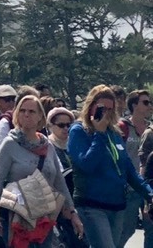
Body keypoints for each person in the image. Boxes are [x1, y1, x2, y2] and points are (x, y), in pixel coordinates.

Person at [0, 94, 82, 248]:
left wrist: (72, 213)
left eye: (32, 111)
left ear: (40, 116)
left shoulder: (47, 146)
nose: (26, 114)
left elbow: (59, 182)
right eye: (23, 110)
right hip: (17, 216)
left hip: (43, 216)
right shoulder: (10, 143)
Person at [69, 84, 153, 248]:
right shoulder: (79, 131)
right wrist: (99, 134)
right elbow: (87, 165)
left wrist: (150, 193)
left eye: (110, 109)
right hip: (92, 205)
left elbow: (129, 170)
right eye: (102, 108)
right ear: (91, 106)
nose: (106, 113)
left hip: (117, 206)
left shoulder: (114, 133)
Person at [117, 89, 153, 248]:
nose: (149, 106)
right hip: (129, 188)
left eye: (150, 102)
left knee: (150, 228)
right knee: (127, 229)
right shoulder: (122, 127)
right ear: (133, 105)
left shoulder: (150, 130)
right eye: (145, 102)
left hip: (147, 186)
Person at [46, 106, 80, 248]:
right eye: (61, 125)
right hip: (54, 203)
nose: (66, 128)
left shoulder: (75, 145)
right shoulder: (47, 146)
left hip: (76, 199)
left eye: (69, 125)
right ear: (50, 126)